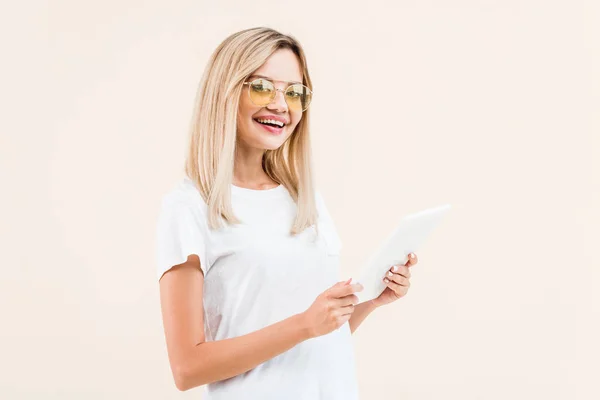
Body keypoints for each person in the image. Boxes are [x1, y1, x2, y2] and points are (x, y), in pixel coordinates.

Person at [155, 26, 417, 399]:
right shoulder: (188, 207)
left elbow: (317, 340)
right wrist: (304, 324)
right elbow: (187, 369)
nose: (281, 106)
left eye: (294, 93)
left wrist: (371, 300)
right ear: (225, 91)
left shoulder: (303, 200)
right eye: (262, 87)